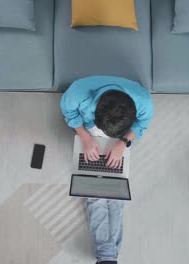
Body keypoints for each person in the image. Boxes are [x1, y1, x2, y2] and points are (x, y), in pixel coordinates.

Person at [60, 76, 154, 264]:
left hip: (120, 141)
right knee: (99, 192)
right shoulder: (77, 93)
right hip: (88, 133)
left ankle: (107, 257)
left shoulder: (143, 100)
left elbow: (142, 123)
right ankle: (107, 256)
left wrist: (123, 142)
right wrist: (86, 138)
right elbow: (69, 114)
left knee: (114, 190)